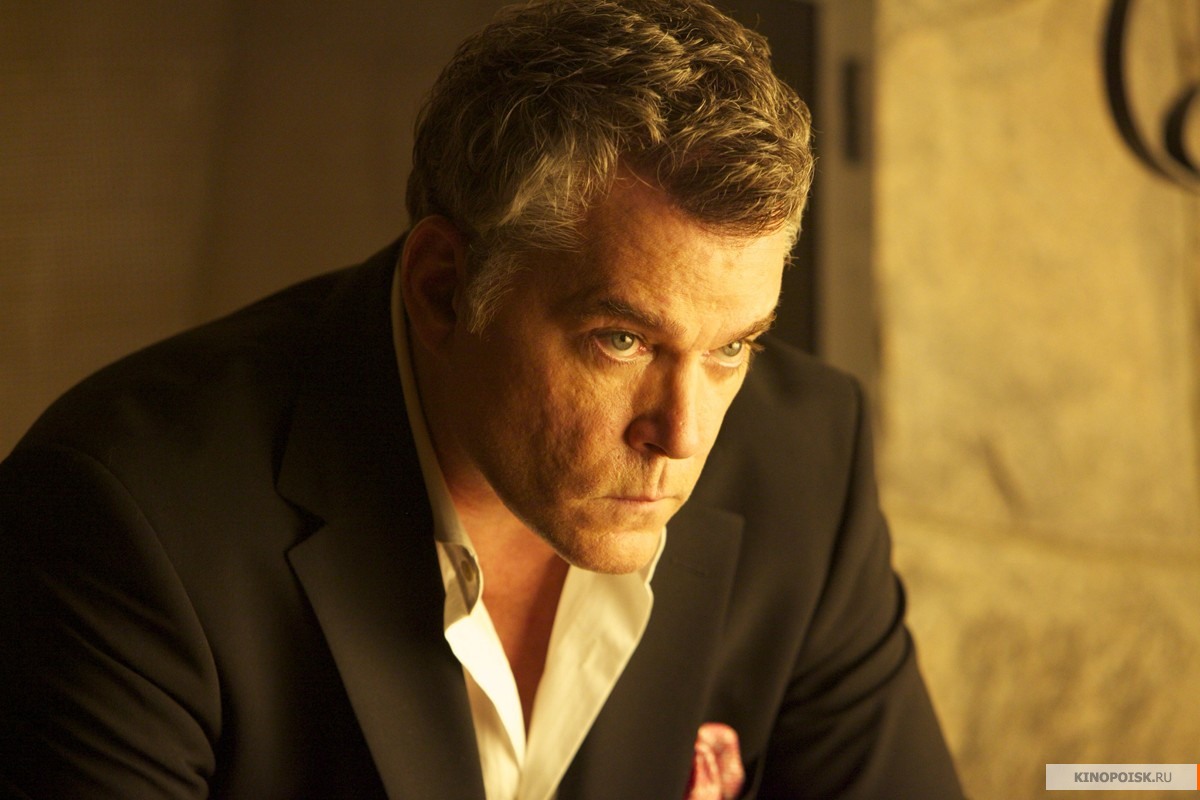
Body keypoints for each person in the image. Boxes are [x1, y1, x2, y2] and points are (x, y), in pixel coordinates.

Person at [0, 0, 964, 797]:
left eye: (732, 347)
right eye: (621, 339)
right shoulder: (122, 520)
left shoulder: (808, 463)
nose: (682, 432)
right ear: (444, 290)